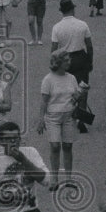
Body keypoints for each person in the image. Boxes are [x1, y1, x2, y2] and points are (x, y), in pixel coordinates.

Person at [37, 51, 85, 187]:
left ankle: (69, 178)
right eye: (66, 60)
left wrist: (80, 94)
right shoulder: (48, 79)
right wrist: (41, 119)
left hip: (69, 116)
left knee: (68, 146)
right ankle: (54, 179)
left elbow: (75, 96)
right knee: (55, 146)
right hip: (53, 117)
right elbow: (44, 101)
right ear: (58, 63)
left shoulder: (72, 78)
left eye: (69, 60)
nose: (69, 62)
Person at [51, 0, 93, 88]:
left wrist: (54, 64)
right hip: (80, 57)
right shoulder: (83, 24)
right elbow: (89, 46)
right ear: (72, 9)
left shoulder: (56, 27)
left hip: (64, 58)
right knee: (82, 87)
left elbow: (54, 49)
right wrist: (90, 61)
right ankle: (82, 102)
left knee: (66, 88)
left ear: (61, 11)